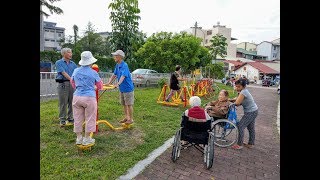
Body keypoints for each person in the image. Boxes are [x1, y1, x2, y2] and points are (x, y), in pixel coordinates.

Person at [70, 51, 103, 145]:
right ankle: (87, 138)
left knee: (77, 118)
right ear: (91, 62)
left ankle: (79, 138)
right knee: (90, 118)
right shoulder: (93, 72)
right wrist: (94, 87)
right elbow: (100, 86)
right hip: (89, 97)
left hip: (77, 97)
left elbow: (72, 82)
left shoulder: (76, 71)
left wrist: (79, 88)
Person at [106, 50, 135, 124]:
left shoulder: (124, 65)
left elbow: (123, 76)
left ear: (119, 57)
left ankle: (131, 119)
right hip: (122, 88)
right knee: (124, 104)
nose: (114, 57)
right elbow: (114, 74)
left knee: (129, 104)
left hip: (128, 88)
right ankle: (126, 117)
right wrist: (109, 83)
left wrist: (118, 84)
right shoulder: (117, 65)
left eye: (115, 56)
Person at [231, 78, 258, 150]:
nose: (237, 88)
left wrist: (232, 103)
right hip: (253, 110)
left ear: (243, 86)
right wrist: (229, 100)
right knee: (251, 128)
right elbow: (237, 99)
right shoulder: (243, 91)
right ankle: (251, 143)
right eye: (236, 86)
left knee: (240, 126)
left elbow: (237, 103)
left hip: (251, 112)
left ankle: (239, 144)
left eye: (238, 86)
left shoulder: (243, 92)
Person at [55, 48, 78, 126]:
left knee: (72, 102)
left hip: (72, 84)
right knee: (63, 102)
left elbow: (77, 73)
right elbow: (63, 73)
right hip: (63, 84)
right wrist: (72, 80)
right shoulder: (59, 62)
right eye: (69, 52)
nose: (71, 54)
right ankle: (62, 119)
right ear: (64, 54)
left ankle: (71, 118)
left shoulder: (73, 63)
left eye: (71, 52)